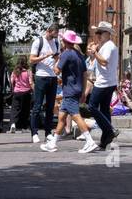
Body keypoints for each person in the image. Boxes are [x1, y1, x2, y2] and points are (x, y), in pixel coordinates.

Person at [42, 30, 95, 153]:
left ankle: (90, 141)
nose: (61, 41)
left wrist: (55, 60)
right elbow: (84, 74)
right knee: (62, 117)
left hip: (70, 90)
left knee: (76, 115)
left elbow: (56, 71)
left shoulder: (66, 54)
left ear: (65, 41)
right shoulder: (79, 55)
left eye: (62, 40)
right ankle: (53, 143)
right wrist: (82, 92)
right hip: (75, 90)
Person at [87, 21, 120, 150]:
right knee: (105, 109)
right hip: (109, 82)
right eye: (97, 32)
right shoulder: (107, 45)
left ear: (107, 33)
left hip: (104, 83)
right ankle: (105, 140)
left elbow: (104, 62)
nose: (98, 35)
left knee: (92, 107)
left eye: (100, 32)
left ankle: (110, 130)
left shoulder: (109, 46)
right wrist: (95, 51)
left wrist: (95, 52)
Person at [28, 24, 60, 144]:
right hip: (41, 76)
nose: (55, 36)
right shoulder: (38, 42)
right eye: (53, 34)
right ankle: (34, 133)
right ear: (48, 31)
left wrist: (57, 64)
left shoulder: (56, 42)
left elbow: (57, 57)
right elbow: (31, 59)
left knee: (50, 107)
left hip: (53, 76)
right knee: (37, 106)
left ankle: (48, 133)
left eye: (56, 34)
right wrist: (44, 56)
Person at [9, 57, 33, 132]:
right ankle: (24, 127)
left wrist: (13, 89)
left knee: (15, 109)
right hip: (26, 93)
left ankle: (13, 124)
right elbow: (31, 82)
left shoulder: (14, 71)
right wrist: (33, 90)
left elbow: (11, 81)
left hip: (16, 92)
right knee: (25, 110)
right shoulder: (28, 71)